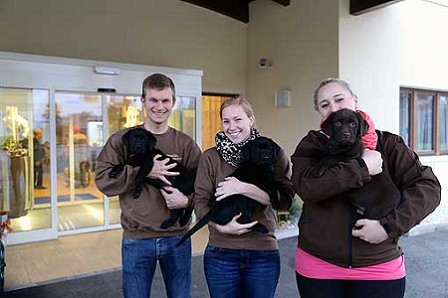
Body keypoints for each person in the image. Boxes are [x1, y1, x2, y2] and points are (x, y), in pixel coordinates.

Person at [290, 78, 441, 298]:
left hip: (378, 265)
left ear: (355, 101)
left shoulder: (388, 144)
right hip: (319, 264)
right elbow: (305, 187)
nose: (333, 108)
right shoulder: (312, 145)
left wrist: (389, 227)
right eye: (325, 105)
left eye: (339, 99)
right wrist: (361, 167)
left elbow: (428, 187)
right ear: (321, 114)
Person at [95, 73, 201, 298]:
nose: (159, 106)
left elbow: (203, 187)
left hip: (177, 237)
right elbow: (103, 180)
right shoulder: (123, 140)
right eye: (153, 100)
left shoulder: (185, 144)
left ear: (173, 102)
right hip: (137, 238)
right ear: (143, 101)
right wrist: (142, 172)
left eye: (165, 100)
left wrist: (186, 201)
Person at [194, 96, 296, 298]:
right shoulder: (211, 157)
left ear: (251, 120)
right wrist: (219, 226)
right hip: (221, 252)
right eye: (226, 121)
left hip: (262, 251)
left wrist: (244, 188)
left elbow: (285, 202)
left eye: (238, 119)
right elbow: (200, 201)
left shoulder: (273, 152)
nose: (232, 126)